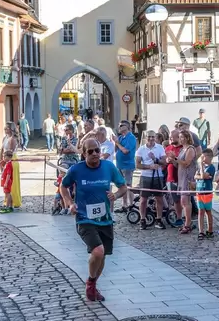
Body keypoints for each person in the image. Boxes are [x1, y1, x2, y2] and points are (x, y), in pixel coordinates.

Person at [60, 138, 128, 302]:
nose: (95, 154)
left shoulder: (108, 167)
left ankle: (93, 285)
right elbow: (63, 186)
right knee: (98, 251)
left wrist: (116, 195)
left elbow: (123, 186)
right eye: (90, 151)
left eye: (97, 150)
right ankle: (90, 282)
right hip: (85, 218)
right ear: (84, 154)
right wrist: (70, 204)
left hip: (105, 219)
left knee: (102, 256)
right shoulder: (77, 169)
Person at [135, 131, 167, 230]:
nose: (151, 139)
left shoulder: (160, 148)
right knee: (143, 199)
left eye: (153, 137)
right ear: (146, 137)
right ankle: (142, 219)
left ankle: (159, 219)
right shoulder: (141, 149)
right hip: (146, 176)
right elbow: (137, 165)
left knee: (159, 198)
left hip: (158, 176)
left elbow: (164, 162)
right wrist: (149, 166)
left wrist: (156, 160)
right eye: (149, 137)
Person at [176, 130, 198, 234]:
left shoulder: (190, 149)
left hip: (188, 177)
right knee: (183, 201)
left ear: (187, 138)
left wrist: (175, 159)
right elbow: (179, 164)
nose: (180, 139)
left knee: (185, 201)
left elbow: (186, 163)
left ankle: (188, 224)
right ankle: (186, 222)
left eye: (182, 137)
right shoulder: (182, 149)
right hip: (181, 177)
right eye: (179, 137)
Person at [113, 120, 137, 212]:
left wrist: (118, 143)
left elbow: (126, 151)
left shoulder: (131, 137)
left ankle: (131, 204)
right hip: (120, 164)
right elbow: (117, 150)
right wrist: (115, 142)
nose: (119, 127)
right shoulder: (121, 137)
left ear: (127, 127)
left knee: (128, 185)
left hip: (127, 165)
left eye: (121, 125)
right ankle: (124, 205)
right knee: (122, 185)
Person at [195, 149, 216, 240]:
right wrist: (201, 175)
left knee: (208, 211)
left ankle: (210, 230)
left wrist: (201, 170)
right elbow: (195, 176)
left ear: (209, 157)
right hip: (199, 191)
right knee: (200, 211)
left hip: (207, 192)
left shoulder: (211, 167)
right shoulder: (201, 167)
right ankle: (201, 231)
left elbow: (203, 176)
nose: (202, 158)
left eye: (204, 156)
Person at [0, 123, 22, 209]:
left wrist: (6, 160)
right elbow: (2, 150)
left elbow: (10, 152)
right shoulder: (5, 138)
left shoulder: (13, 139)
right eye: (5, 127)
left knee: (11, 182)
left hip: (11, 159)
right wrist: (1, 160)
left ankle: (13, 202)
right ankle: (7, 201)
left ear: (11, 129)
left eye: (7, 128)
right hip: (5, 159)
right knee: (6, 180)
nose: (5, 129)